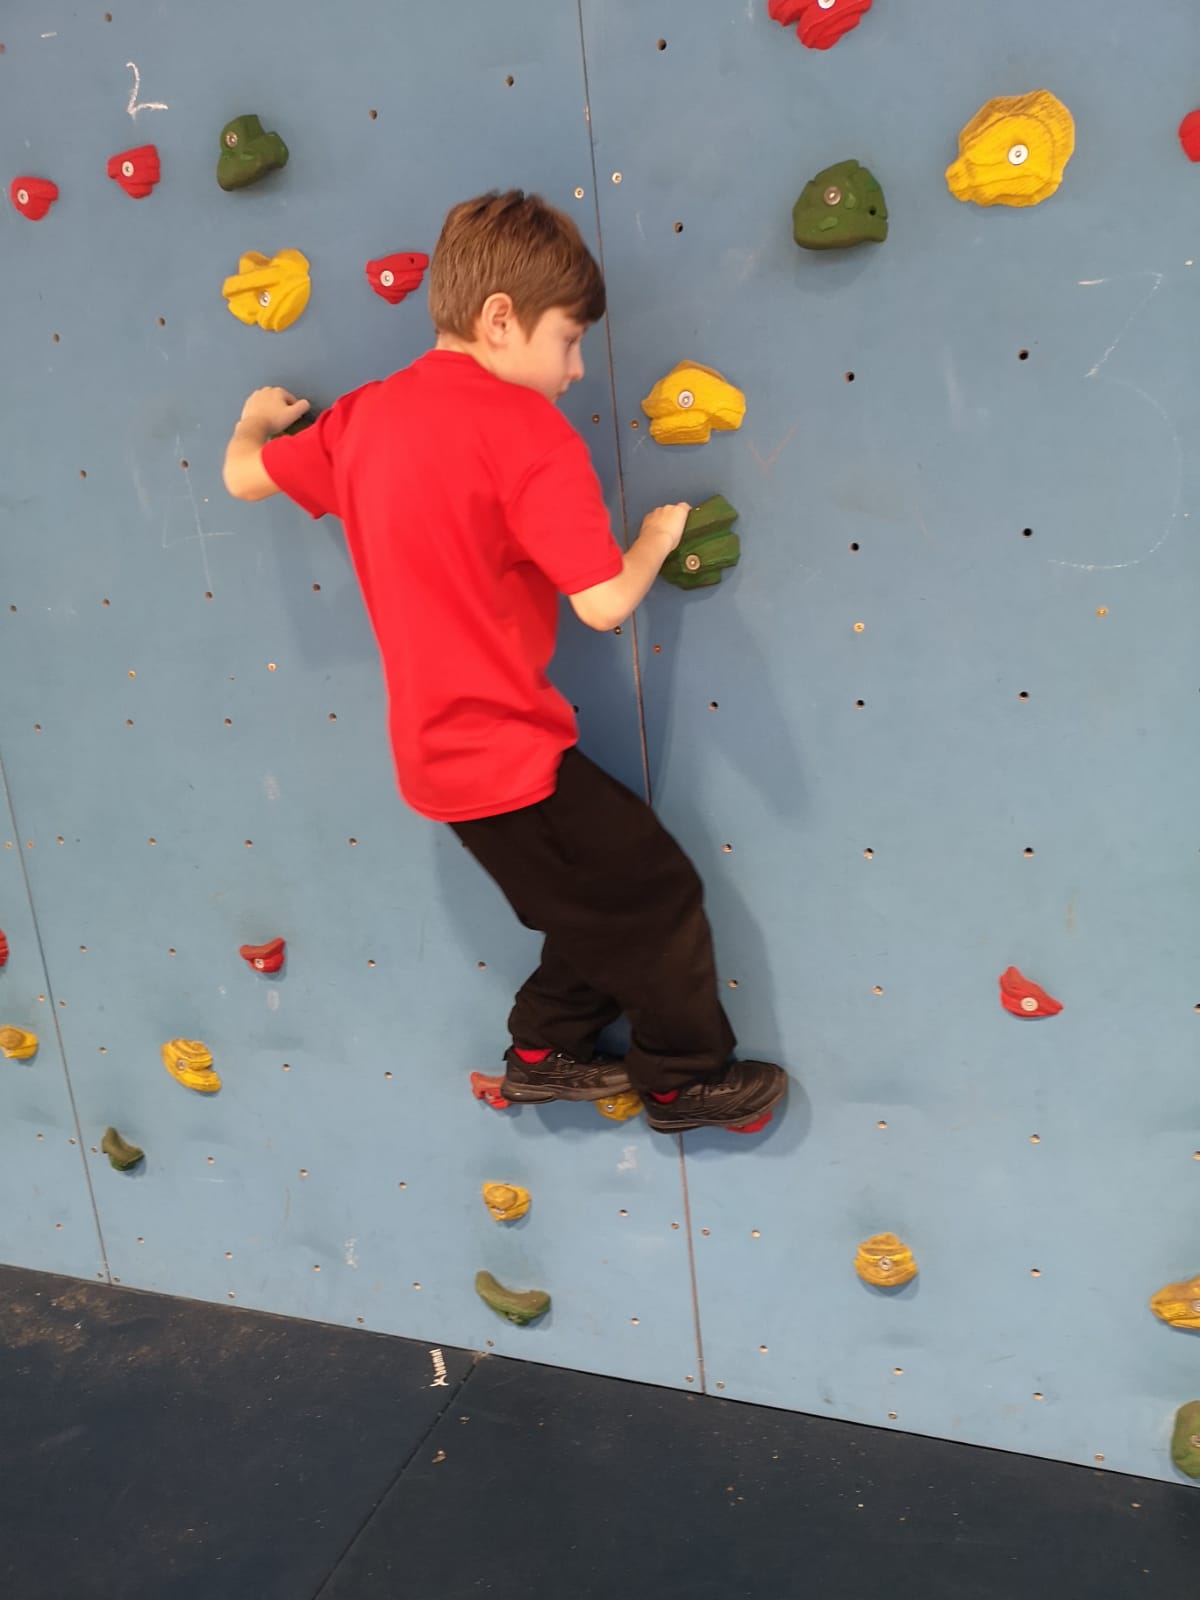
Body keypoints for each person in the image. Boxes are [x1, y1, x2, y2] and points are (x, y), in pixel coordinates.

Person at [222, 189, 787, 1134]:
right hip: (506, 754)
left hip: (439, 757)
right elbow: (602, 602)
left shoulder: (363, 418)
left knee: (597, 901)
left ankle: (543, 1053)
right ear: (499, 320)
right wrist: (653, 540)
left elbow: (244, 476)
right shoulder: (528, 434)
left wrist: (253, 416)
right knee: (655, 897)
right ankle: (684, 1080)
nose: (575, 370)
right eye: (568, 340)